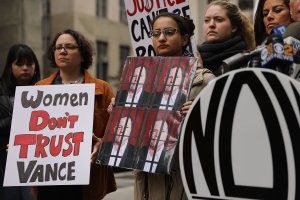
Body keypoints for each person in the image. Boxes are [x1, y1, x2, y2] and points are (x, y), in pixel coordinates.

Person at [133, 12, 215, 200]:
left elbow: (220, 134)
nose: (161, 38)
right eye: (156, 33)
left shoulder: (205, 80)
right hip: (147, 182)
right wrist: (119, 110)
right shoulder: (137, 81)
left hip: (183, 183)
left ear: (184, 38)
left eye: (169, 32)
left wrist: (201, 112)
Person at [34, 29, 116, 200]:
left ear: (83, 55)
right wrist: (20, 147)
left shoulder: (103, 89)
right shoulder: (39, 88)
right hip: (48, 178)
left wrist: (104, 143)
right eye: (58, 47)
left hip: (86, 180)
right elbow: (32, 131)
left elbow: (117, 135)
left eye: (69, 47)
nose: (62, 51)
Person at [0, 44, 41, 200]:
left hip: (36, 163)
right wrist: (17, 118)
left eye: (29, 64)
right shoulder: (1, 91)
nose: (25, 68)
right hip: (5, 163)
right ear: (10, 67)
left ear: (35, 67)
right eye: (19, 64)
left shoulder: (46, 92)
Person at [198, 0, 256, 76]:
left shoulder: (248, 61)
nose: (211, 24)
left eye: (219, 19)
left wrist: (201, 74)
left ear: (234, 27)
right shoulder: (195, 58)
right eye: (207, 20)